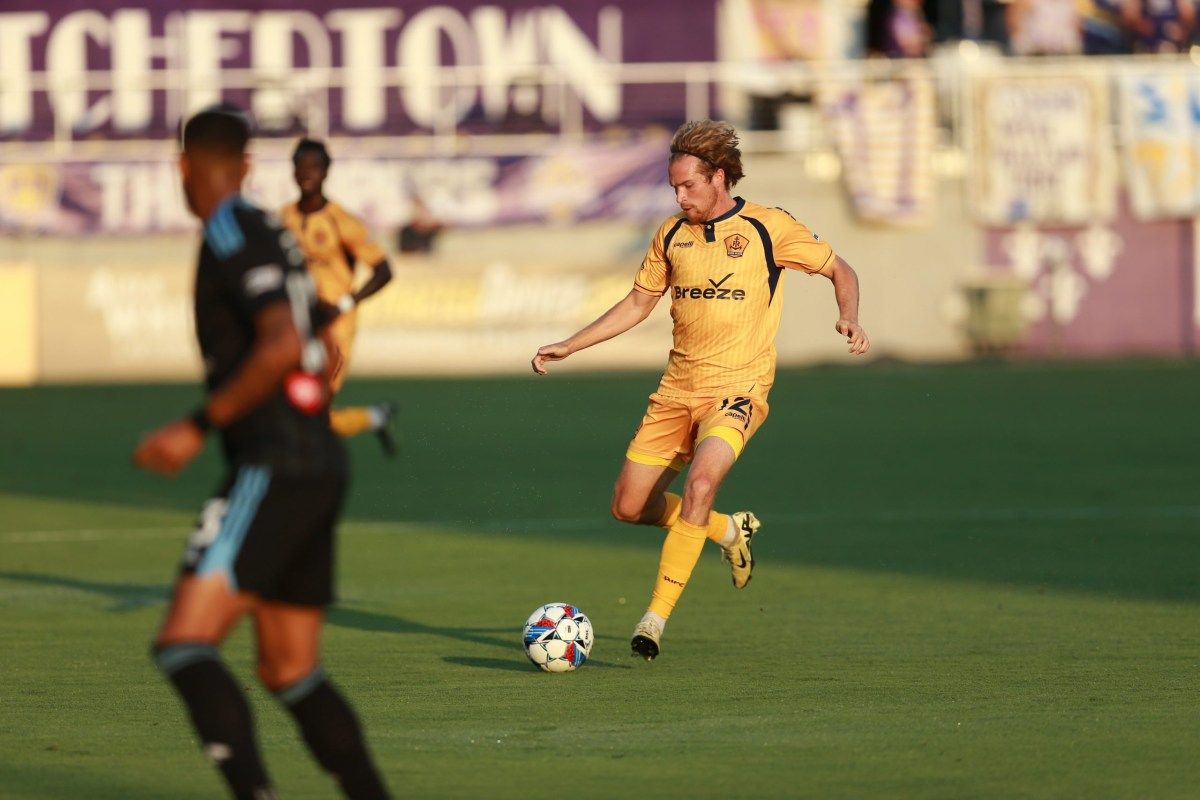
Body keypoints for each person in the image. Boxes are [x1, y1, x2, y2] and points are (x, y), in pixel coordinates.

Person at [531, 120, 870, 661]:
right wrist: (571, 345)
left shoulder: (768, 227)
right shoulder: (670, 235)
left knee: (701, 482)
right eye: (674, 187)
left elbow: (841, 269)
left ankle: (653, 620)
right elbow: (638, 304)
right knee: (627, 506)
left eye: (688, 185)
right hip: (676, 391)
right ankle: (728, 531)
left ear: (718, 177)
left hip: (738, 388)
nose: (680, 196)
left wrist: (848, 318)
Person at [134, 105, 391, 800]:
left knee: (184, 645)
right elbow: (319, 341)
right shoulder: (273, 232)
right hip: (319, 462)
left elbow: (282, 344)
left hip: (273, 463)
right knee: (290, 671)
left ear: (182, 166)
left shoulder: (227, 229)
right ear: (248, 166)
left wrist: (194, 425)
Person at [280, 138, 397, 456]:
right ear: (293, 171)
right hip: (297, 326)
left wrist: (344, 303)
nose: (307, 174)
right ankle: (373, 417)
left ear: (326, 171)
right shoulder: (282, 220)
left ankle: (308, 475)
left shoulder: (342, 221)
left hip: (336, 329)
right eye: (301, 167)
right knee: (295, 411)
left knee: (311, 408)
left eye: (314, 167)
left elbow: (384, 270)